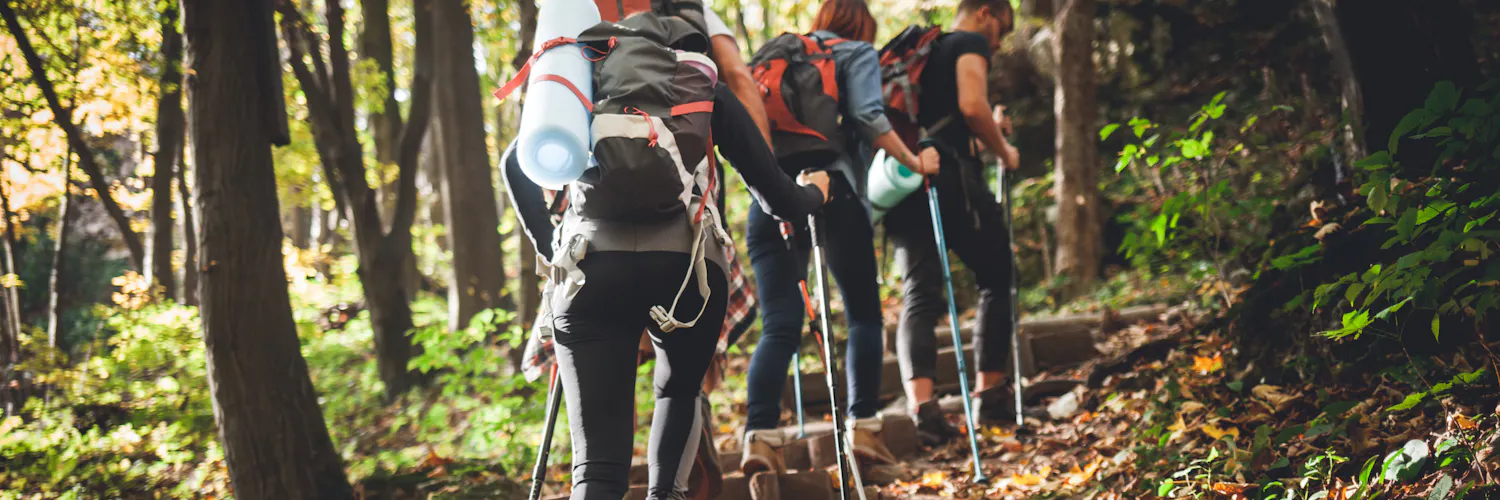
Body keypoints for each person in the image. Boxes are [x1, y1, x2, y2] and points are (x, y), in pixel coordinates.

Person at [738, 0, 929, 476]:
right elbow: (867, 116)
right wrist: (915, 161)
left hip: (769, 195)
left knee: (779, 323)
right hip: (833, 188)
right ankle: (863, 428)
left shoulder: (772, 54)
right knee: (863, 313)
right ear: (861, 23)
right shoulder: (856, 52)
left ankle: (759, 438)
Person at [883, 0, 1022, 442]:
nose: (999, 41)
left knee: (918, 292)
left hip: (903, 175)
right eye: (1002, 28)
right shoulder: (969, 42)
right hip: (950, 178)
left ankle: (924, 411)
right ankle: (989, 398)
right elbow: (972, 107)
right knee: (998, 276)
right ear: (985, 12)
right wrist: (1004, 149)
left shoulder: (920, 52)